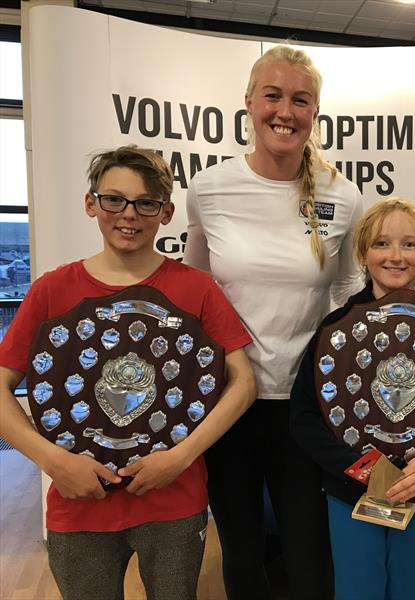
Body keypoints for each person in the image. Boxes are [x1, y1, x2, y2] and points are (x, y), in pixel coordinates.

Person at [0, 145, 256, 600]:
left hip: (174, 498)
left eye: (146, 203)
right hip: (79, 501)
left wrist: (181, 457)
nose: (129, 214)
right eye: (114, 199)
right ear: (91, 203)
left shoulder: (195, 288)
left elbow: (243, 383)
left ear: (166, 212)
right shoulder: (51, 290)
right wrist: (52, 460)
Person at [183, 44, 363, 600]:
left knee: (310, 549)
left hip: (307, 405)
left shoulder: (343, 196)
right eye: (273, 96)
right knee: (241, 547)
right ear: (249, 104)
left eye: (300, 100)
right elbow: (196, 292)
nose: (286, 111)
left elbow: (348, 291)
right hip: (229, 402)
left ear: (315, 112)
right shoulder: (209, 190)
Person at [290, 197, 415, 600]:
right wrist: (366, 470)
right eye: (382, 243)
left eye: (409, 244)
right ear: (363, 253)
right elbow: (305, 419)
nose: (395, 256)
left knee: (410, 591)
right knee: (357, 590)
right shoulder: (336, 329)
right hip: (352, 490)